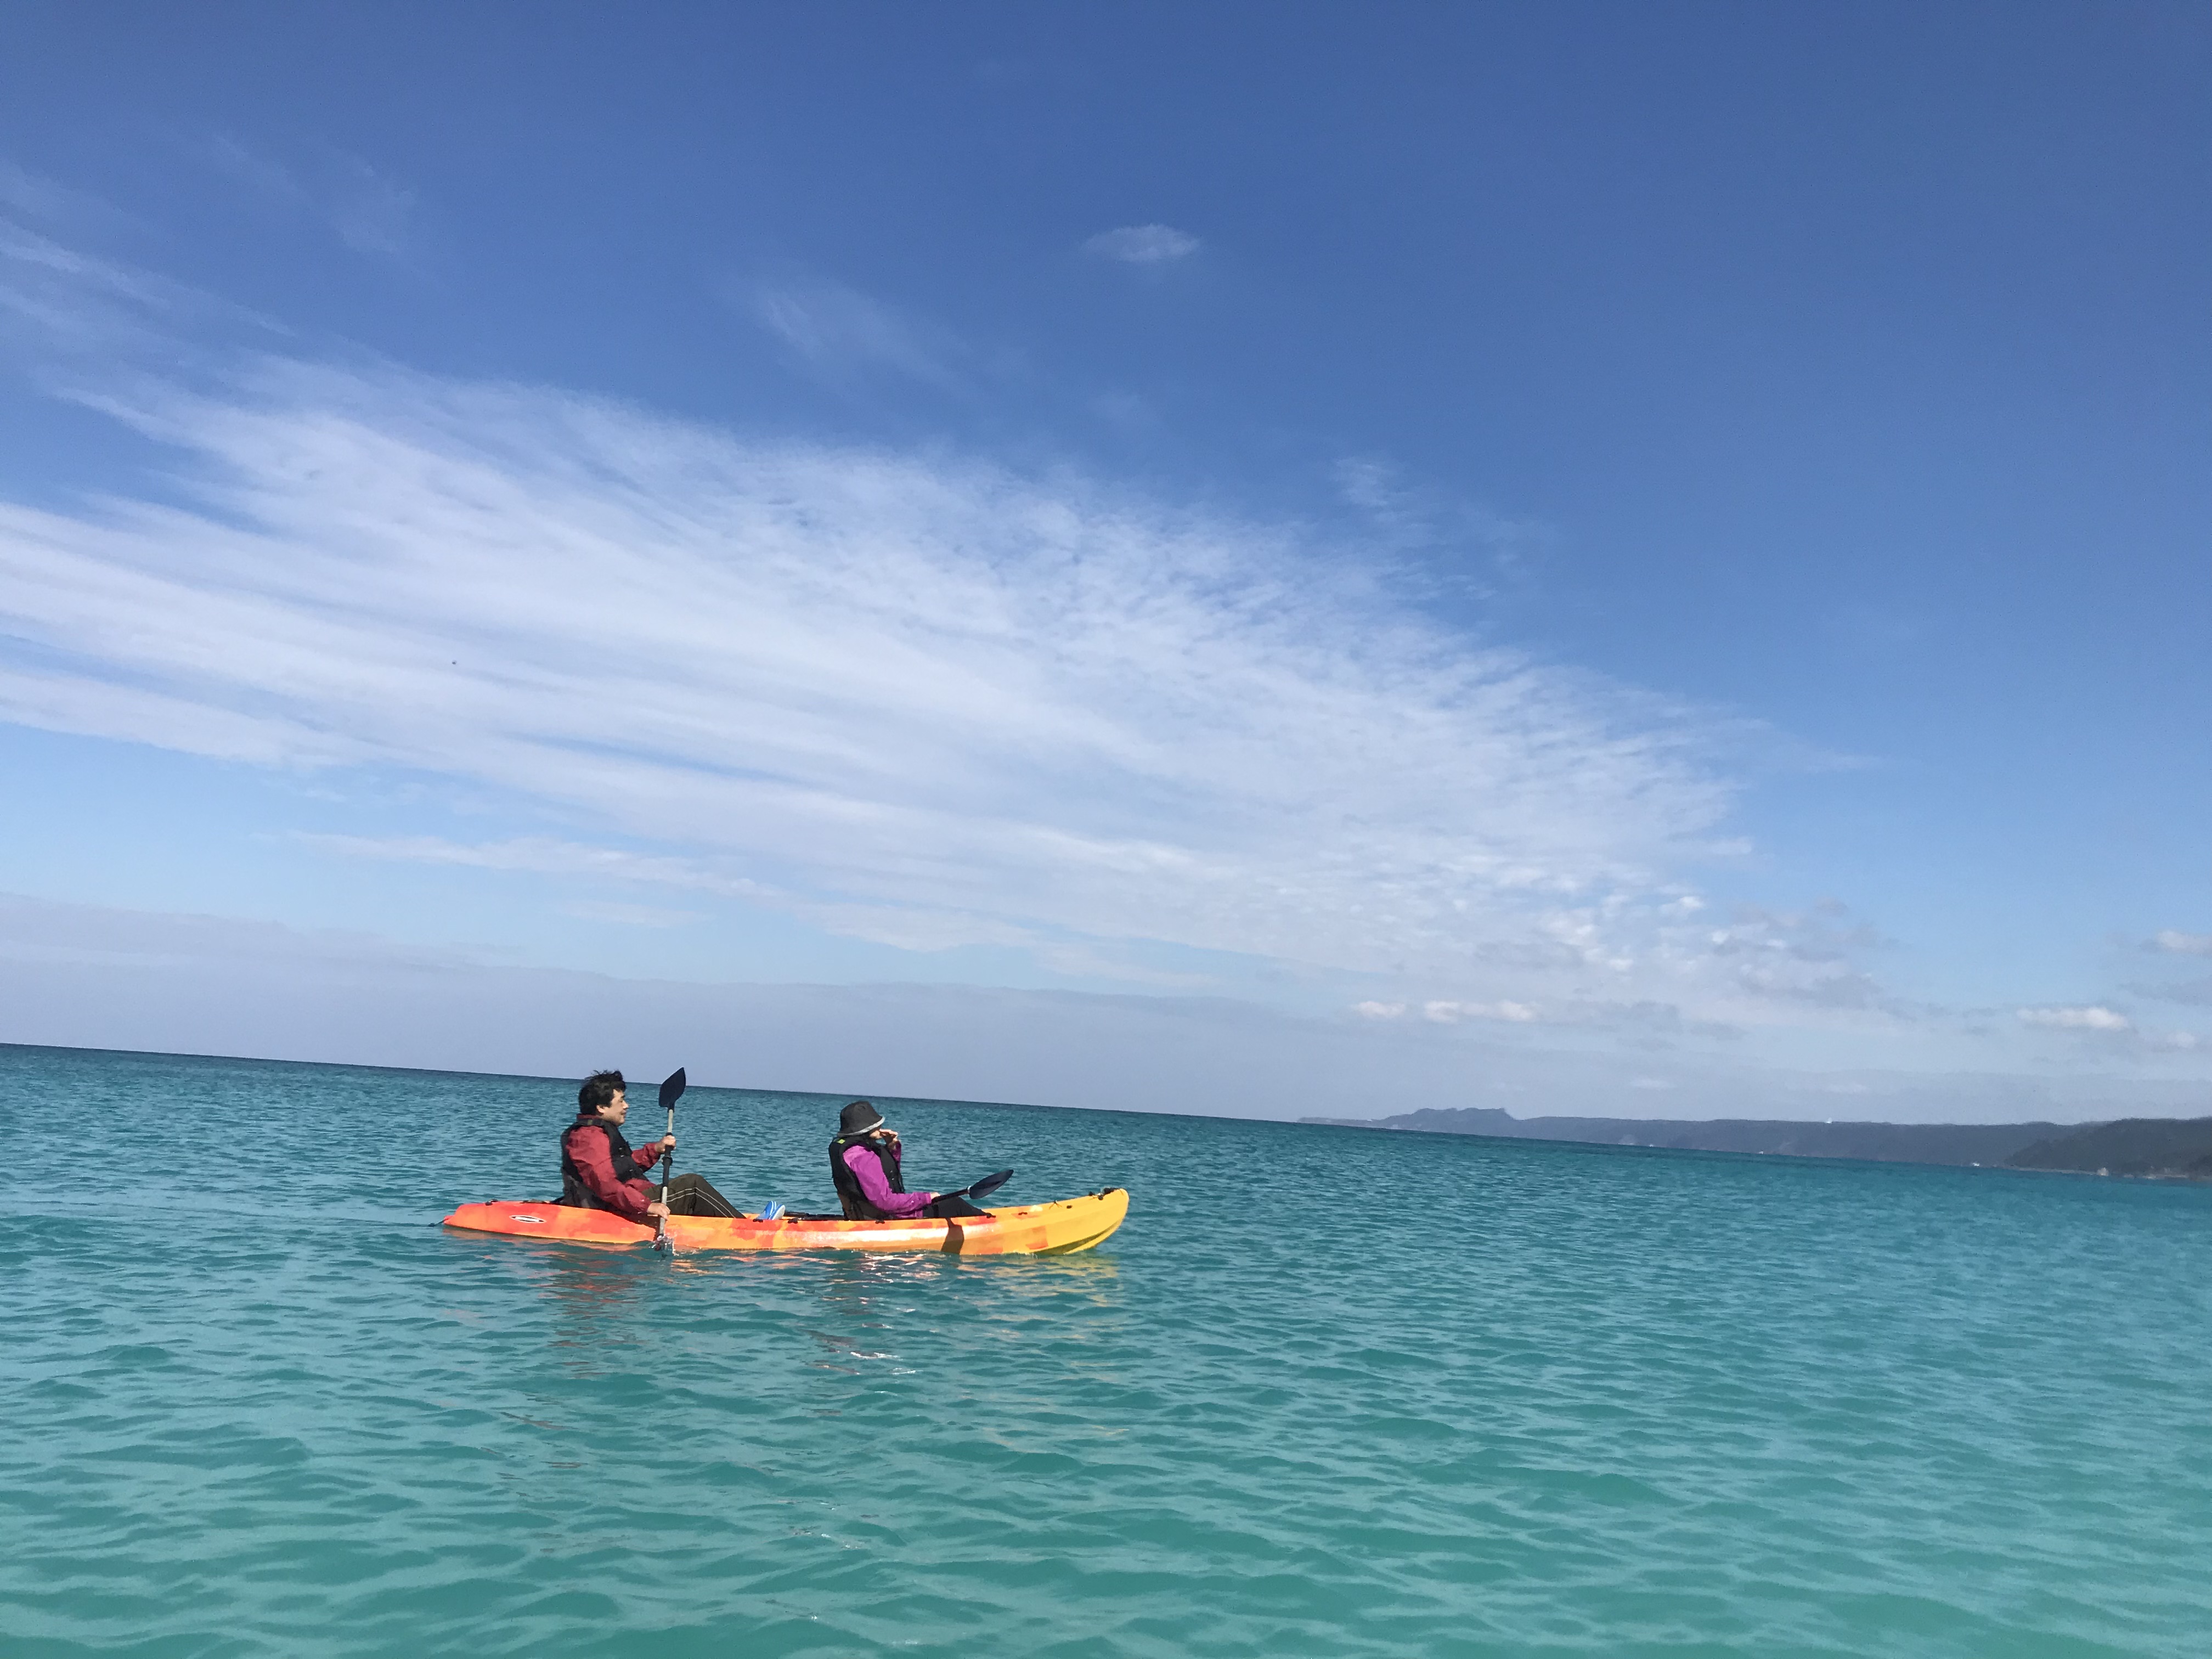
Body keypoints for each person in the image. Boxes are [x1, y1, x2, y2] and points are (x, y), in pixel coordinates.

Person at [560, 1070, 737, 1220]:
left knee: (689, 1191)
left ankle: (728, 1223)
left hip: (627, 1199)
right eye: (621, 1101)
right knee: (692, 1185)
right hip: (613, 1208)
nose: (626, 1106)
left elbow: (622, 1168)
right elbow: (604, 1183)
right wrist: (646, 1206)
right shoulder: (587, 1138)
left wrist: (655, 1150)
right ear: (601, 1108)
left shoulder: (598, 1133)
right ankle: (744, 1228)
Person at [828, 1101, 988, 1221]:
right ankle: (991, 1226)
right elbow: (885, 1201)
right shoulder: (864, 1157)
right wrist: (926, 1198)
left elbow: (886, 1174)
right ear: (865, 1129)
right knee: (954, 1205)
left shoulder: (852, 1151)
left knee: (949, 1204)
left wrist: (891, 1147)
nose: (881, 1126)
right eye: (875, 1124)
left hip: (862, 1214)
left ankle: (986, 1220)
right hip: (885, 1218)